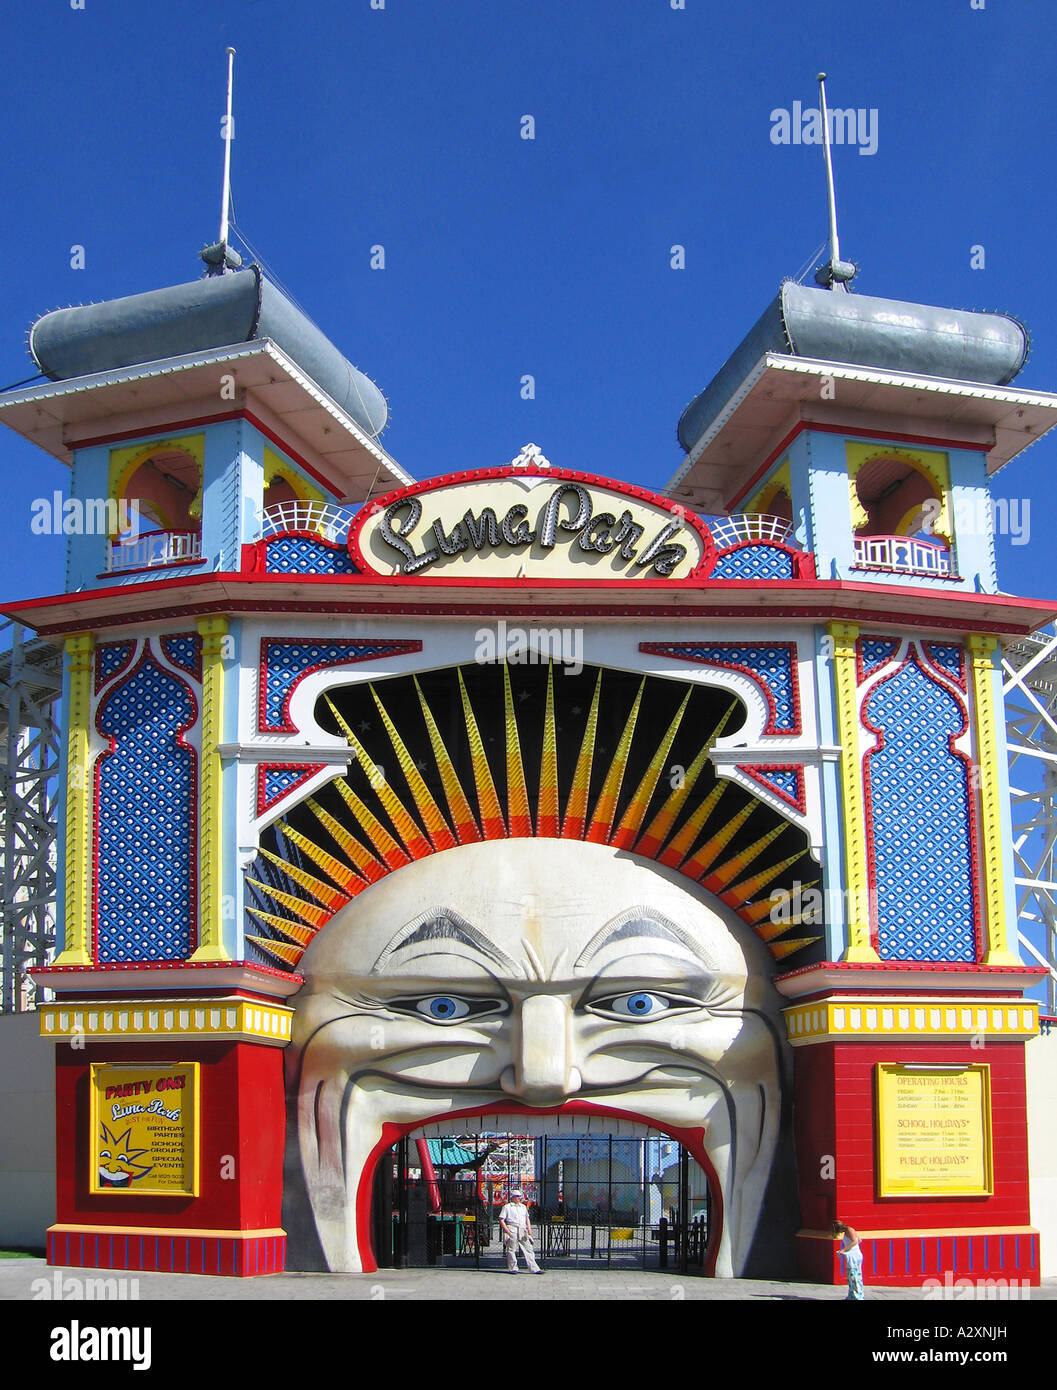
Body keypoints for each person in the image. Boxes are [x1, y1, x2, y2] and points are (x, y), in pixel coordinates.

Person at [498, 1191, 543, 1274]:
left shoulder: (523, 1207)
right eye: (517, 1196)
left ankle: (534, 1268)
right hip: (512, 1227)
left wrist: (529, 1228)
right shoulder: (507, 1207)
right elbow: (501, 1219)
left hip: (522, 1229)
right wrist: (507, 1231)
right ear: (512, 1197)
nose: (519, 1198)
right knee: (511, 1249)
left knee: (528, 1248)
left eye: (519, 1196)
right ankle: (513, 1268)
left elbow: (527, 1218)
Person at [833, 1220, 864, 1300]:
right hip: (851, 1256)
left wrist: (844, 1250)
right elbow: (858, 1240)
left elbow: (854, 1242)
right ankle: (852, 1296)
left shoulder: (849, 1230)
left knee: (854, 1277)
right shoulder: (848, 1231)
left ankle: (858, 1297)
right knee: (851, 1277)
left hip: (854, 1257)